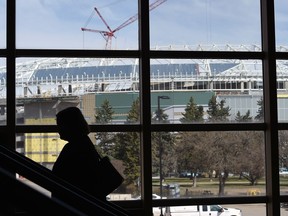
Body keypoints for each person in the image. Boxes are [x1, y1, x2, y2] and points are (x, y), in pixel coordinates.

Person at [52, 106, 103, 200]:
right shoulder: (85, 144)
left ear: (69, 126)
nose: (58, 129)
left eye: (60, 125)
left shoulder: (72, 148)